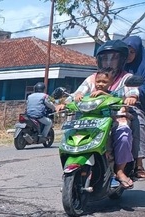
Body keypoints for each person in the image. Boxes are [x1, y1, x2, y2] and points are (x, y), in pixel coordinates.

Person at [57, 40, 140, 189]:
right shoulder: (93, 78)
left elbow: (133, 92)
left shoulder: (126, 77)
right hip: (91, 118)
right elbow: (78, 93)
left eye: (113, 57)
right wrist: (65, 102)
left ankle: (120, 171)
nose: (109, 61)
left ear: (122, 59)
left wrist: (131, 98)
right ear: (99, 60)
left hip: (116, 117)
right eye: (105, 57)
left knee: (124, 132)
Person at [124, 36, 145, 179]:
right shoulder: (118, 63)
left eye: (132, 52)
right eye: (126, 52)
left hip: (139, 102)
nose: (129, 55)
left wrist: (135, 95)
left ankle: (139, 164)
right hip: (118, 102)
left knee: (139, 123)